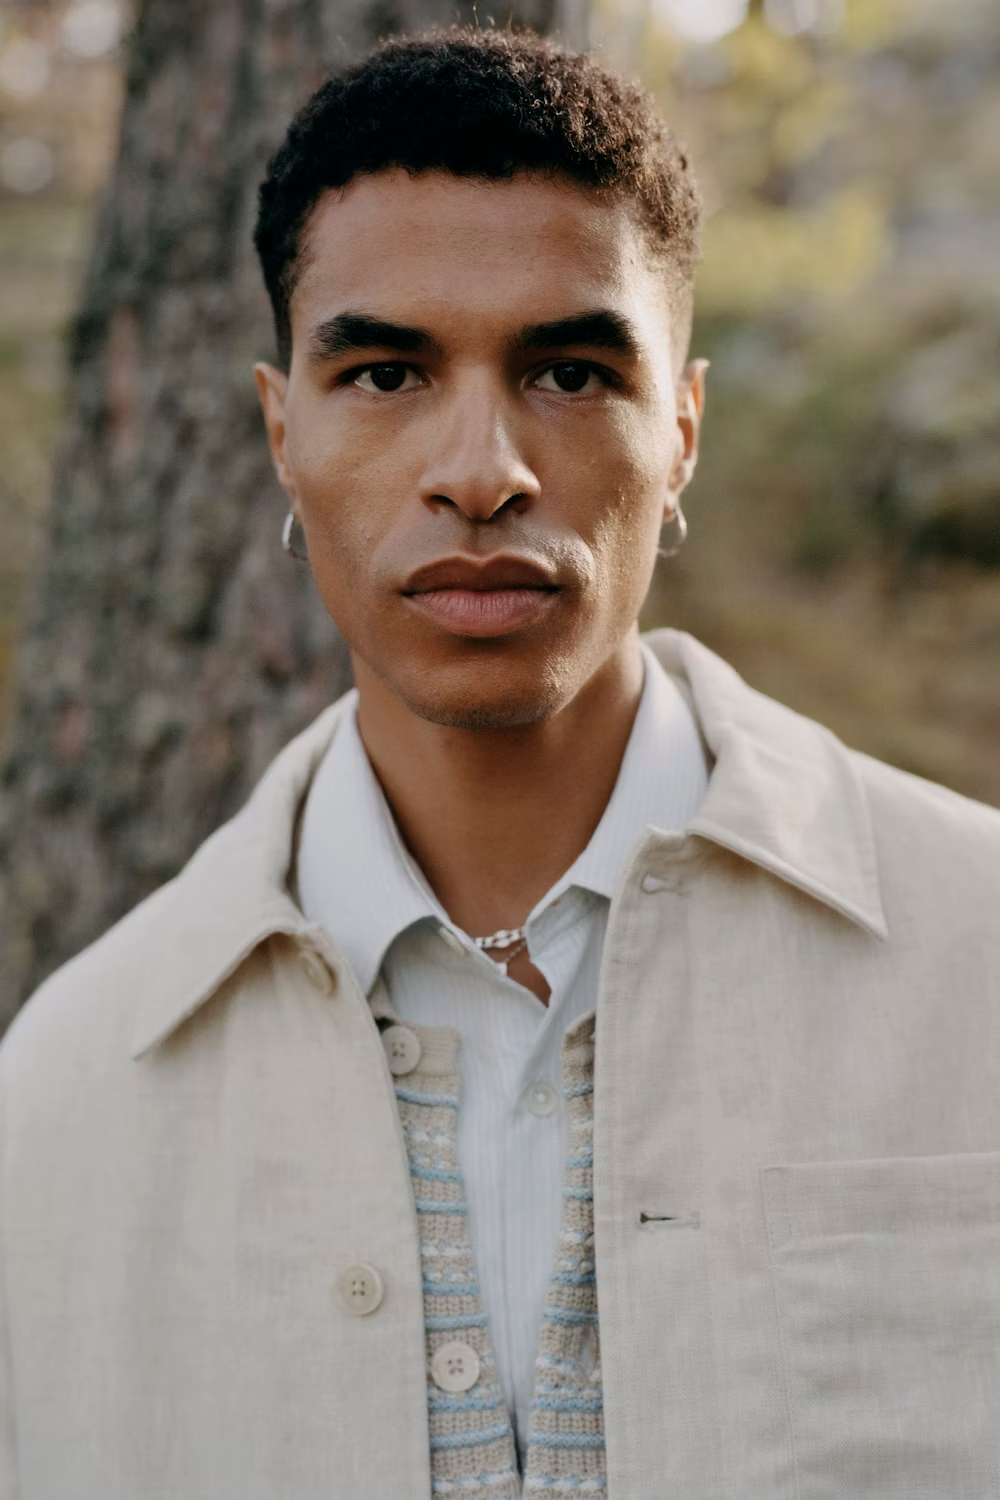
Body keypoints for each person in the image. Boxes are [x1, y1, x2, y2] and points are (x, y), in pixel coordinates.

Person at [2, 28, 999, 1500]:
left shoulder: (978, 959)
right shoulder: (65, 1101)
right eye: (386, 373)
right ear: (283, 434)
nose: (480, 471)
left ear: (682, 431)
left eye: (572, 371)